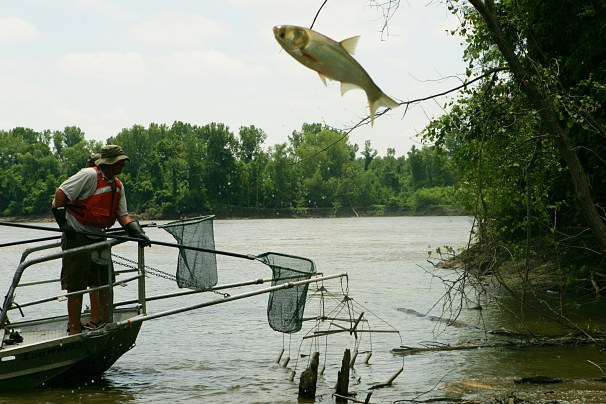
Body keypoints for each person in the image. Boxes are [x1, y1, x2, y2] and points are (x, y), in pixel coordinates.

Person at [51, 145, 151, 335]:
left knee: (104, 281)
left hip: (99, 236)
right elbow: (60, 194)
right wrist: (64, 225)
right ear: (110, 162)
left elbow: (123, 216)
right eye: (120, 162)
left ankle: (104, 322)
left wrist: (138, 233)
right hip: (77, 235)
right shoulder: (88, 175)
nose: (122, 166)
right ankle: (74, 326)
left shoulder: (118, 186)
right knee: (76, 285)